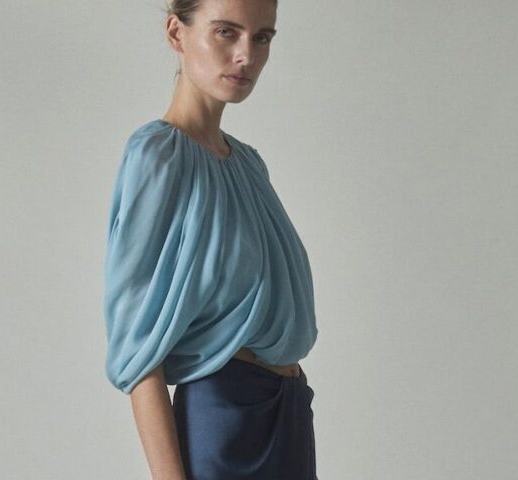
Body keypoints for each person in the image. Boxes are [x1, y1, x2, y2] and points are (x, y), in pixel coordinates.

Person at [103, 0, 319, 478]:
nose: (246, 55)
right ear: (176, 33)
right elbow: (138, 349)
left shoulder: (249, 165)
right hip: (226, 420)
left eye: (262, 37)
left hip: (288, 413)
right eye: (226, 32)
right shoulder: (158, 156)